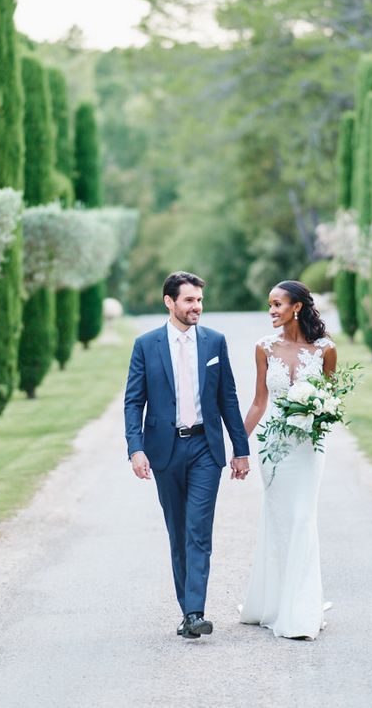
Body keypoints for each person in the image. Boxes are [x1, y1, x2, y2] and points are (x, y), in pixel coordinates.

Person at [124, 271, 250, 639]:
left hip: (205, 450)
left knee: (198, 531)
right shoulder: (146, 345)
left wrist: (240, 450)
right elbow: (134, 402)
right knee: (177, 532)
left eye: (199, 300)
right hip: (165, 450)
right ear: (170, 302)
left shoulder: (215, 342)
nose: (197, 307)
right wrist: (136, 448)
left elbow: (228, 397)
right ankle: (187, 611)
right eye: (189, 300)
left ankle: (195, 612)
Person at [239, 280, 336, 640]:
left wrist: (320, 413)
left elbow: (332, 399)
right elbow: (259, 402)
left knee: (301, 517)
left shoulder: (326, 350)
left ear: (297, 307)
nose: (272, 311)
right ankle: (278, 601)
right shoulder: (264, 348)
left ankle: (303, 609)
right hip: (274, 446)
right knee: (281, 519)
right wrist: (237, 445)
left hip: (310, 448)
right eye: (269, 305)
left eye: (278, 304)